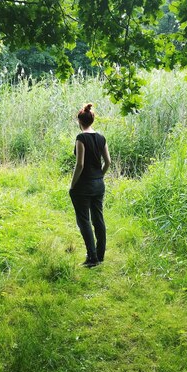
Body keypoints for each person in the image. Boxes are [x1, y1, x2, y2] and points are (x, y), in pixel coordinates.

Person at [69, 103, 111, 268]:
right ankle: (100, 256)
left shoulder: (81, 138)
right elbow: (108, 162)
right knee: (98, 219)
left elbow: (79, 164)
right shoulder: (101, 138)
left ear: (80, 121)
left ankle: (92, 258)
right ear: (92, 120)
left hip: (83, 186)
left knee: (84, 220)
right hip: (99, 184)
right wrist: (100, 175)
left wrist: (73, 185)